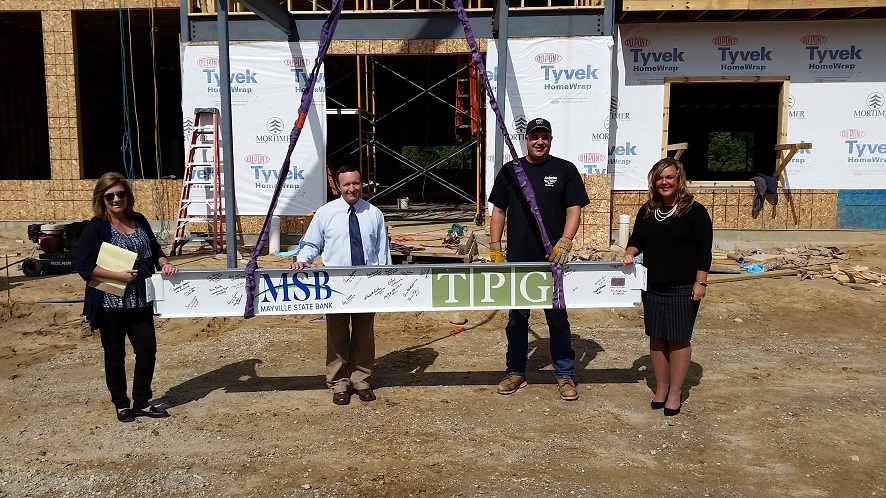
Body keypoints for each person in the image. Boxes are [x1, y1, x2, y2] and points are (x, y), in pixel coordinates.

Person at [488, 117, 590, 401]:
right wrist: (495, 248)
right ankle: (516, 371)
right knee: (517, 319)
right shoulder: (511, 171)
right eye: (534, 136)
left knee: (557, 319)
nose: (539, 141)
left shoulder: (565, 170)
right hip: (519, 260)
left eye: (544, 136)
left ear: (551, 139)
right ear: (526, 140)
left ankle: (565, 374)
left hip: (552, 261)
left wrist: (566, 242)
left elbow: (573, 210)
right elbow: (499, 211)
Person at [74, 172, 178, 423]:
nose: (116, 199)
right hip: (110, 301)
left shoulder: (139, 220)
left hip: (140, 299)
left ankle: (142, 402)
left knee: (147, 350)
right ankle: (122, 404)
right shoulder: (97, 226)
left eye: (121, 193)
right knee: (115, 355)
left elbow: (154, 250)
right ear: (102, 199)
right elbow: (84, 265)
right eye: (110, 196)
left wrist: (164, 262)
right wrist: (117, 275)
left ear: (127, 195)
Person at [290, 165, 391, 406]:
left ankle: (361, 379)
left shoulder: (374, 213)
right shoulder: (325, 213)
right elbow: (312, 243)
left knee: (364, 333)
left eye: (356, 183)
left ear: (362, 183)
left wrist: (386, 278)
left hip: (366, 281)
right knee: (336, 333)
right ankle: (339, 382)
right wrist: (303, 260)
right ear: (338, 187)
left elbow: (382, 251)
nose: (352, 188)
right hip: (335, 283)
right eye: (346, 184)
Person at [620, 157, 713, 416]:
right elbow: (637, 238)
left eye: (669, 177)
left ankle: (675, 392)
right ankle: (661, 388)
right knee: (658, 338)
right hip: (653, 285)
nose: (664, 182)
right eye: (660, 178)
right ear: (654, 181)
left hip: (684, 286)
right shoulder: (647, 211)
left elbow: (704, 251)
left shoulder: (695, 212)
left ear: (679, 180)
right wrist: (630, 252)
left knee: (679, 339)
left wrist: (700, 281)